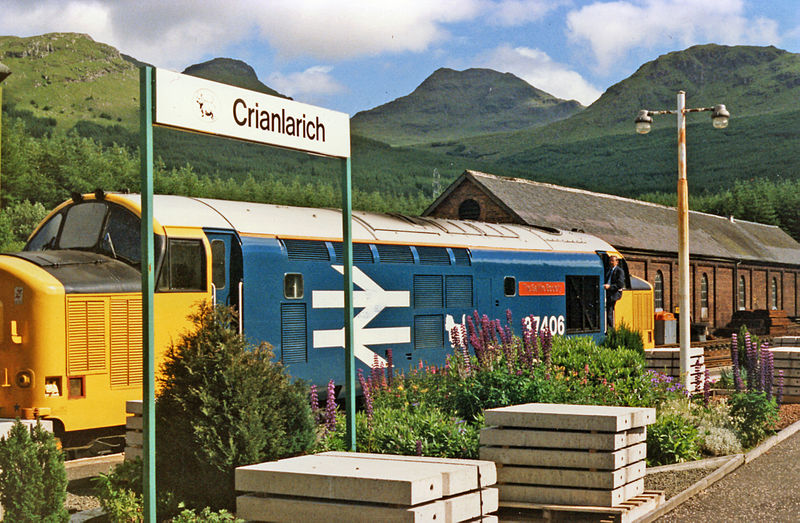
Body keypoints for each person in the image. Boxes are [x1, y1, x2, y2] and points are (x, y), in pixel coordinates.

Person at [604, 255, 625, 329]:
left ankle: (610, 329)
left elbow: (620, 284)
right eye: (610, 261)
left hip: (614, 293)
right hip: (607, 292)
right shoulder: (608, 270)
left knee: (610, 311)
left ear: (617, 262)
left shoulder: (620, 271)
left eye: (612, 261)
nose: (611, 262)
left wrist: (610, 287)